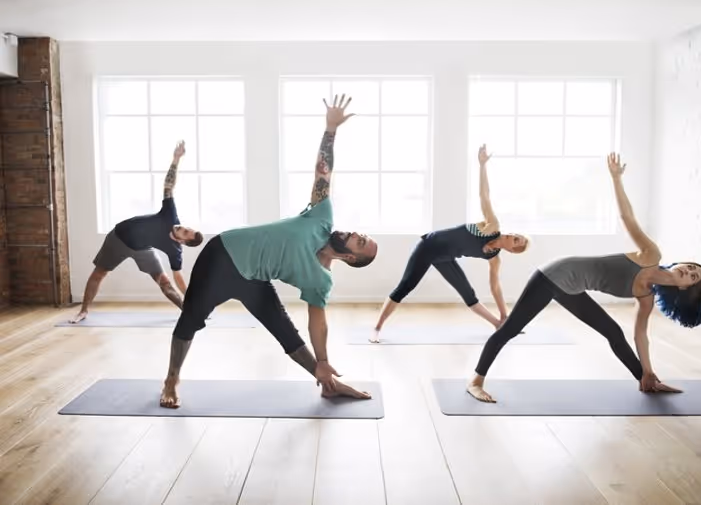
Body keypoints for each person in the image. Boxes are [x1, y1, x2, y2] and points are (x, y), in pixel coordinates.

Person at [159, 94, 378, 408]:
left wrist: (324, 359)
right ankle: (171, 380)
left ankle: (328, 382)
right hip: (222, 255)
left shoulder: (321, 281)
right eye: (361, 233)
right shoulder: (321, 217)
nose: (355, 233)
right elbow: (323, 171)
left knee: (284, 331)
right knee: (190, 319)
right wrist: (331, 130)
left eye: (359, 241)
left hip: (253, 278)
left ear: (350, 258)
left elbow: (318, 322)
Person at [467, 152, 701, 403]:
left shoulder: (645, 297)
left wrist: (648, 372)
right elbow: (628, 218)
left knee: (613, 331)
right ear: (680, 263)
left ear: (685, 288)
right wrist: (616, 179)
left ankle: (647, 382)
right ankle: (475, 382)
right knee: (511, 329)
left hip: (572, 288)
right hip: (555, 274)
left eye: (693, 277)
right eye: (691, 266)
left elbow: (640, 336)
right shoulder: (651, 255)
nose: (689, 271)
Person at [370, 144, 529, 343]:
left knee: (468, 295)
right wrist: (482, 166)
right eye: (516, 234)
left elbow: (495, 287)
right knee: (406, 286)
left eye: (516, 240)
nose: (512, 235)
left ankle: (498, 324)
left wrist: (505, 314)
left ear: (512, 250)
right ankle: (377, 328)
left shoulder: (494, 259)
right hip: (428, 246)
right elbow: (484, 196)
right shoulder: (492, 227)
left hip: (445, 258)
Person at [70, 141, 203, 323]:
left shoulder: (175, 251)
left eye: (187, 233)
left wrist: (192, 304)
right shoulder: (170, 216)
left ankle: (187, 312)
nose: (184, 228)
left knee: (165, 283)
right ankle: (83, 311)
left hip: (143, 249)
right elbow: (168, 187)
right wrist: (176, 159)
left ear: (182, 242)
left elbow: (178, 278)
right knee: (99, 273)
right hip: (118, 239)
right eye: (188, 228)